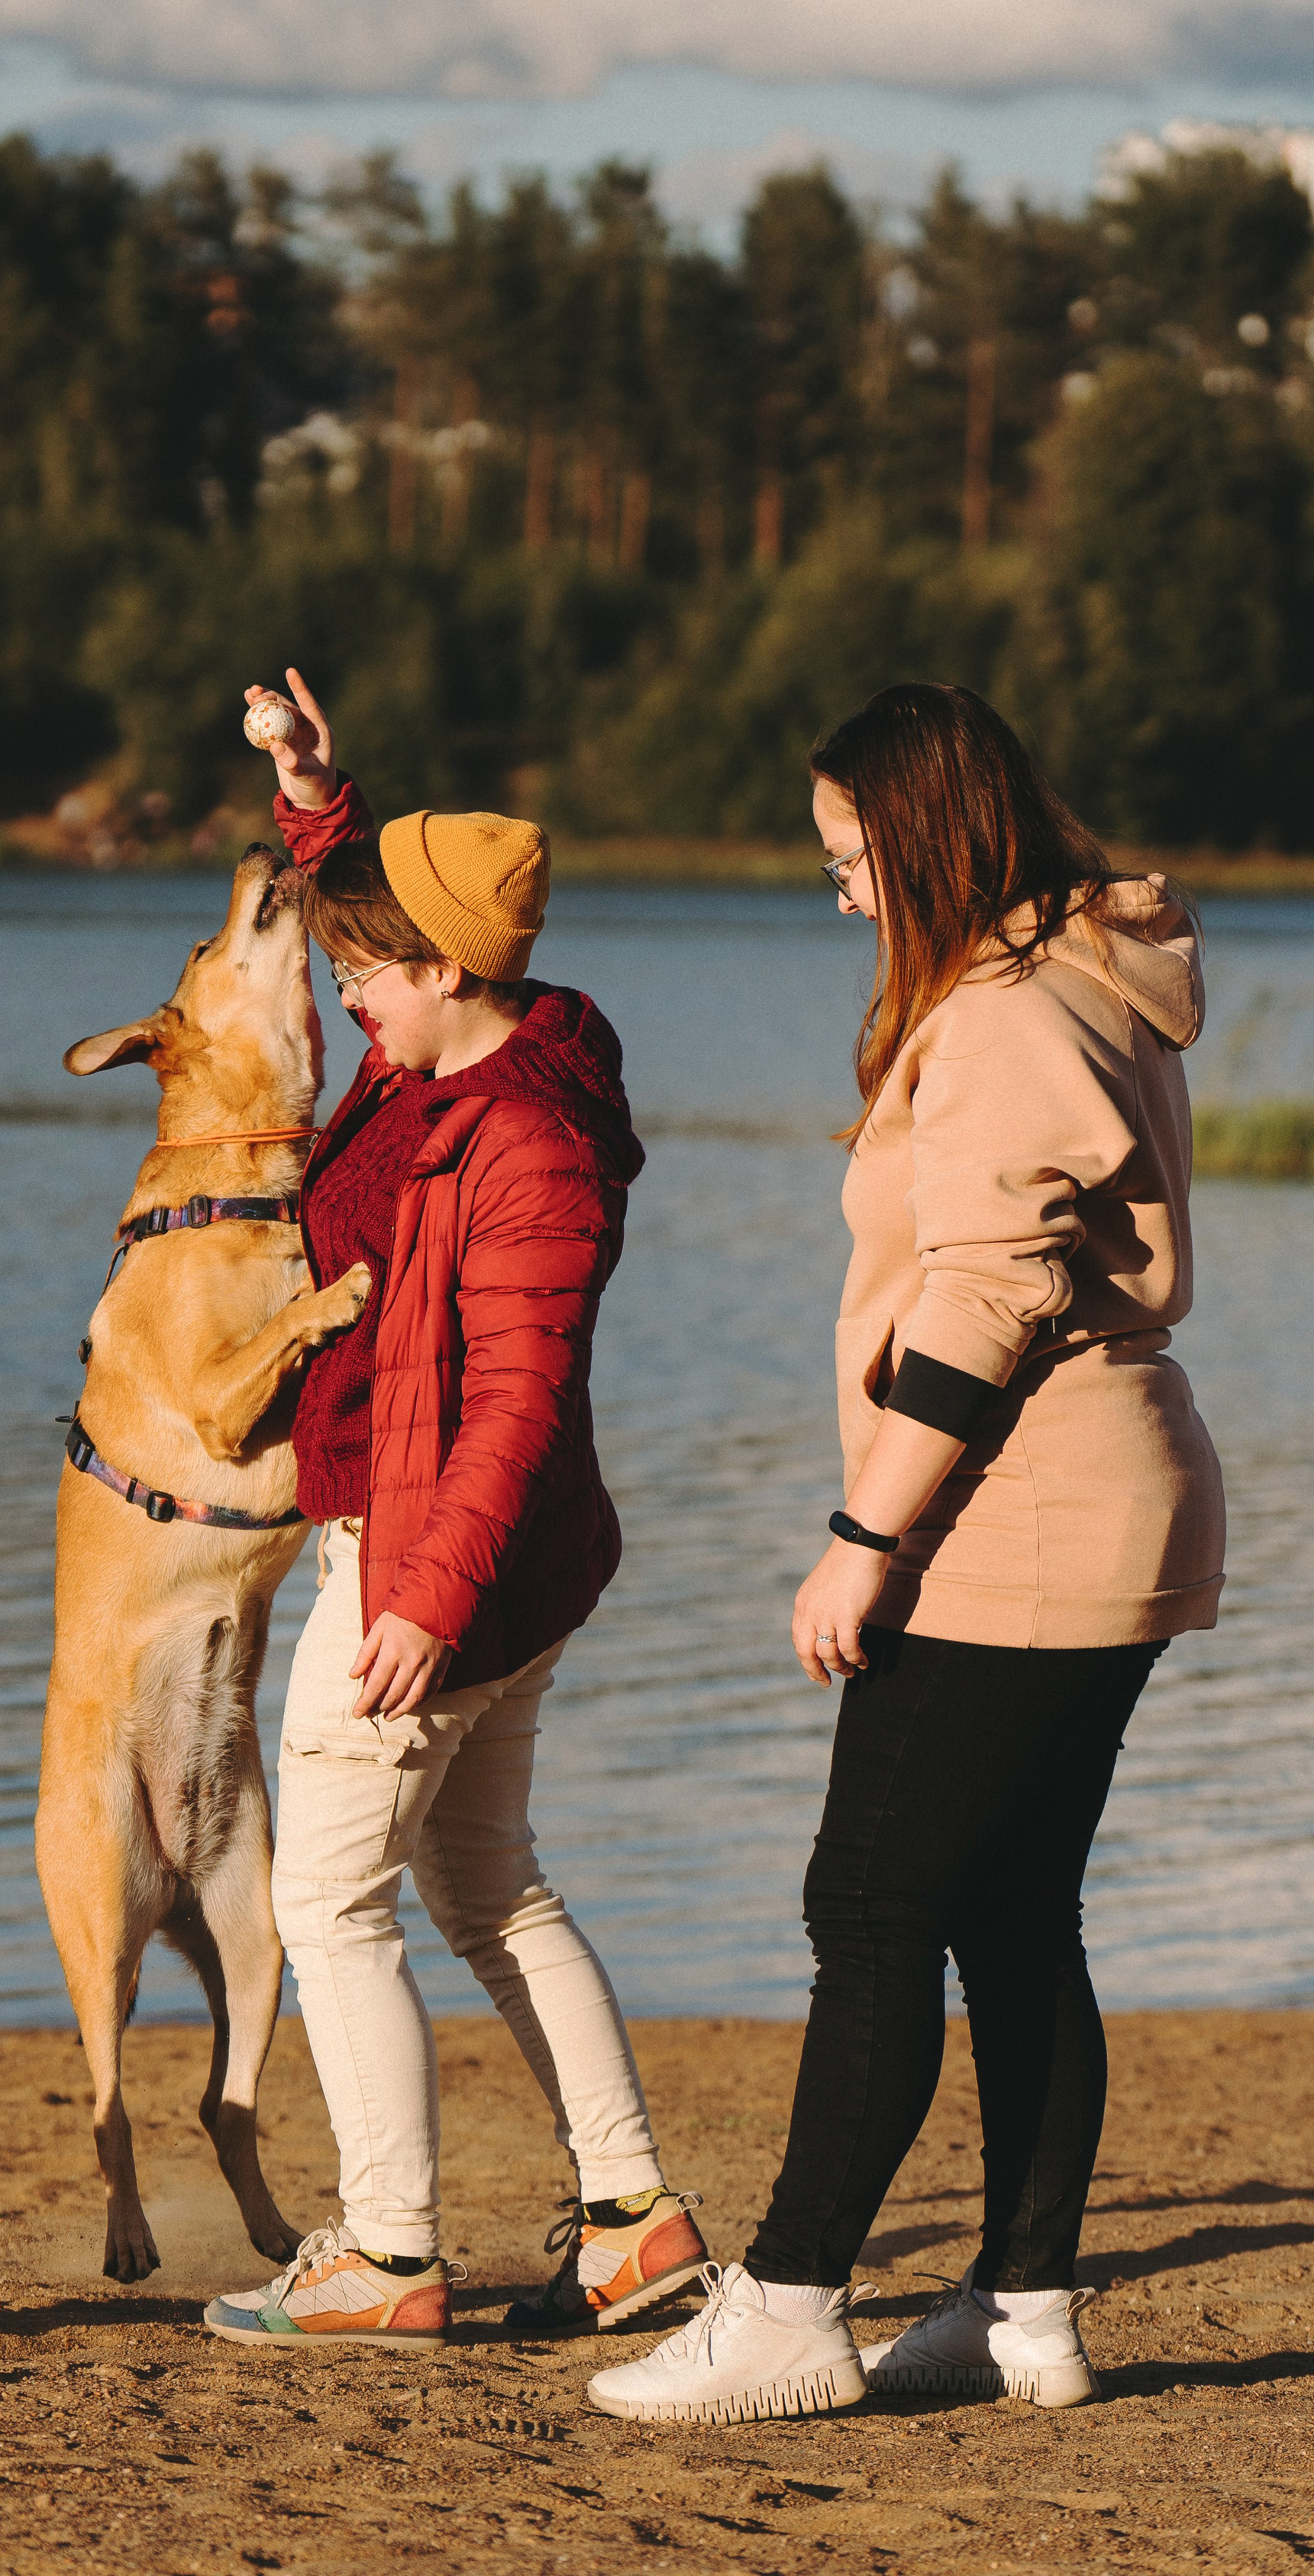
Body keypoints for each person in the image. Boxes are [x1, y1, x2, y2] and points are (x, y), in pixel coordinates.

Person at [589, 682, 1225, 2427]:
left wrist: (864, 1532)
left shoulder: (1012, 1011)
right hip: (1111, 1490)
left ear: (930, 837)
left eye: (851, 857)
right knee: (1016, 1913)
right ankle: (1023, 2302)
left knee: (866, 1905)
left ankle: (790, 2299)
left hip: (1016, 1504)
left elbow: (988, 1285)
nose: (843, 894)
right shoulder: (1084, 975)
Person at [203, 669, 709, 2349]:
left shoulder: (527, 1150)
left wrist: (415, 1595)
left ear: (442, 974)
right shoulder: (492, 1044)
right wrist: (318, 803)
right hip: (489, 1561)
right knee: (487, 1880)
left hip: (432, 1557)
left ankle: (385, 2249)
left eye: (364, 973)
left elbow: (516, 1400)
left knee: (324, 1901)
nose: (350, 998)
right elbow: (405, 921)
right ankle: (634, 2219)